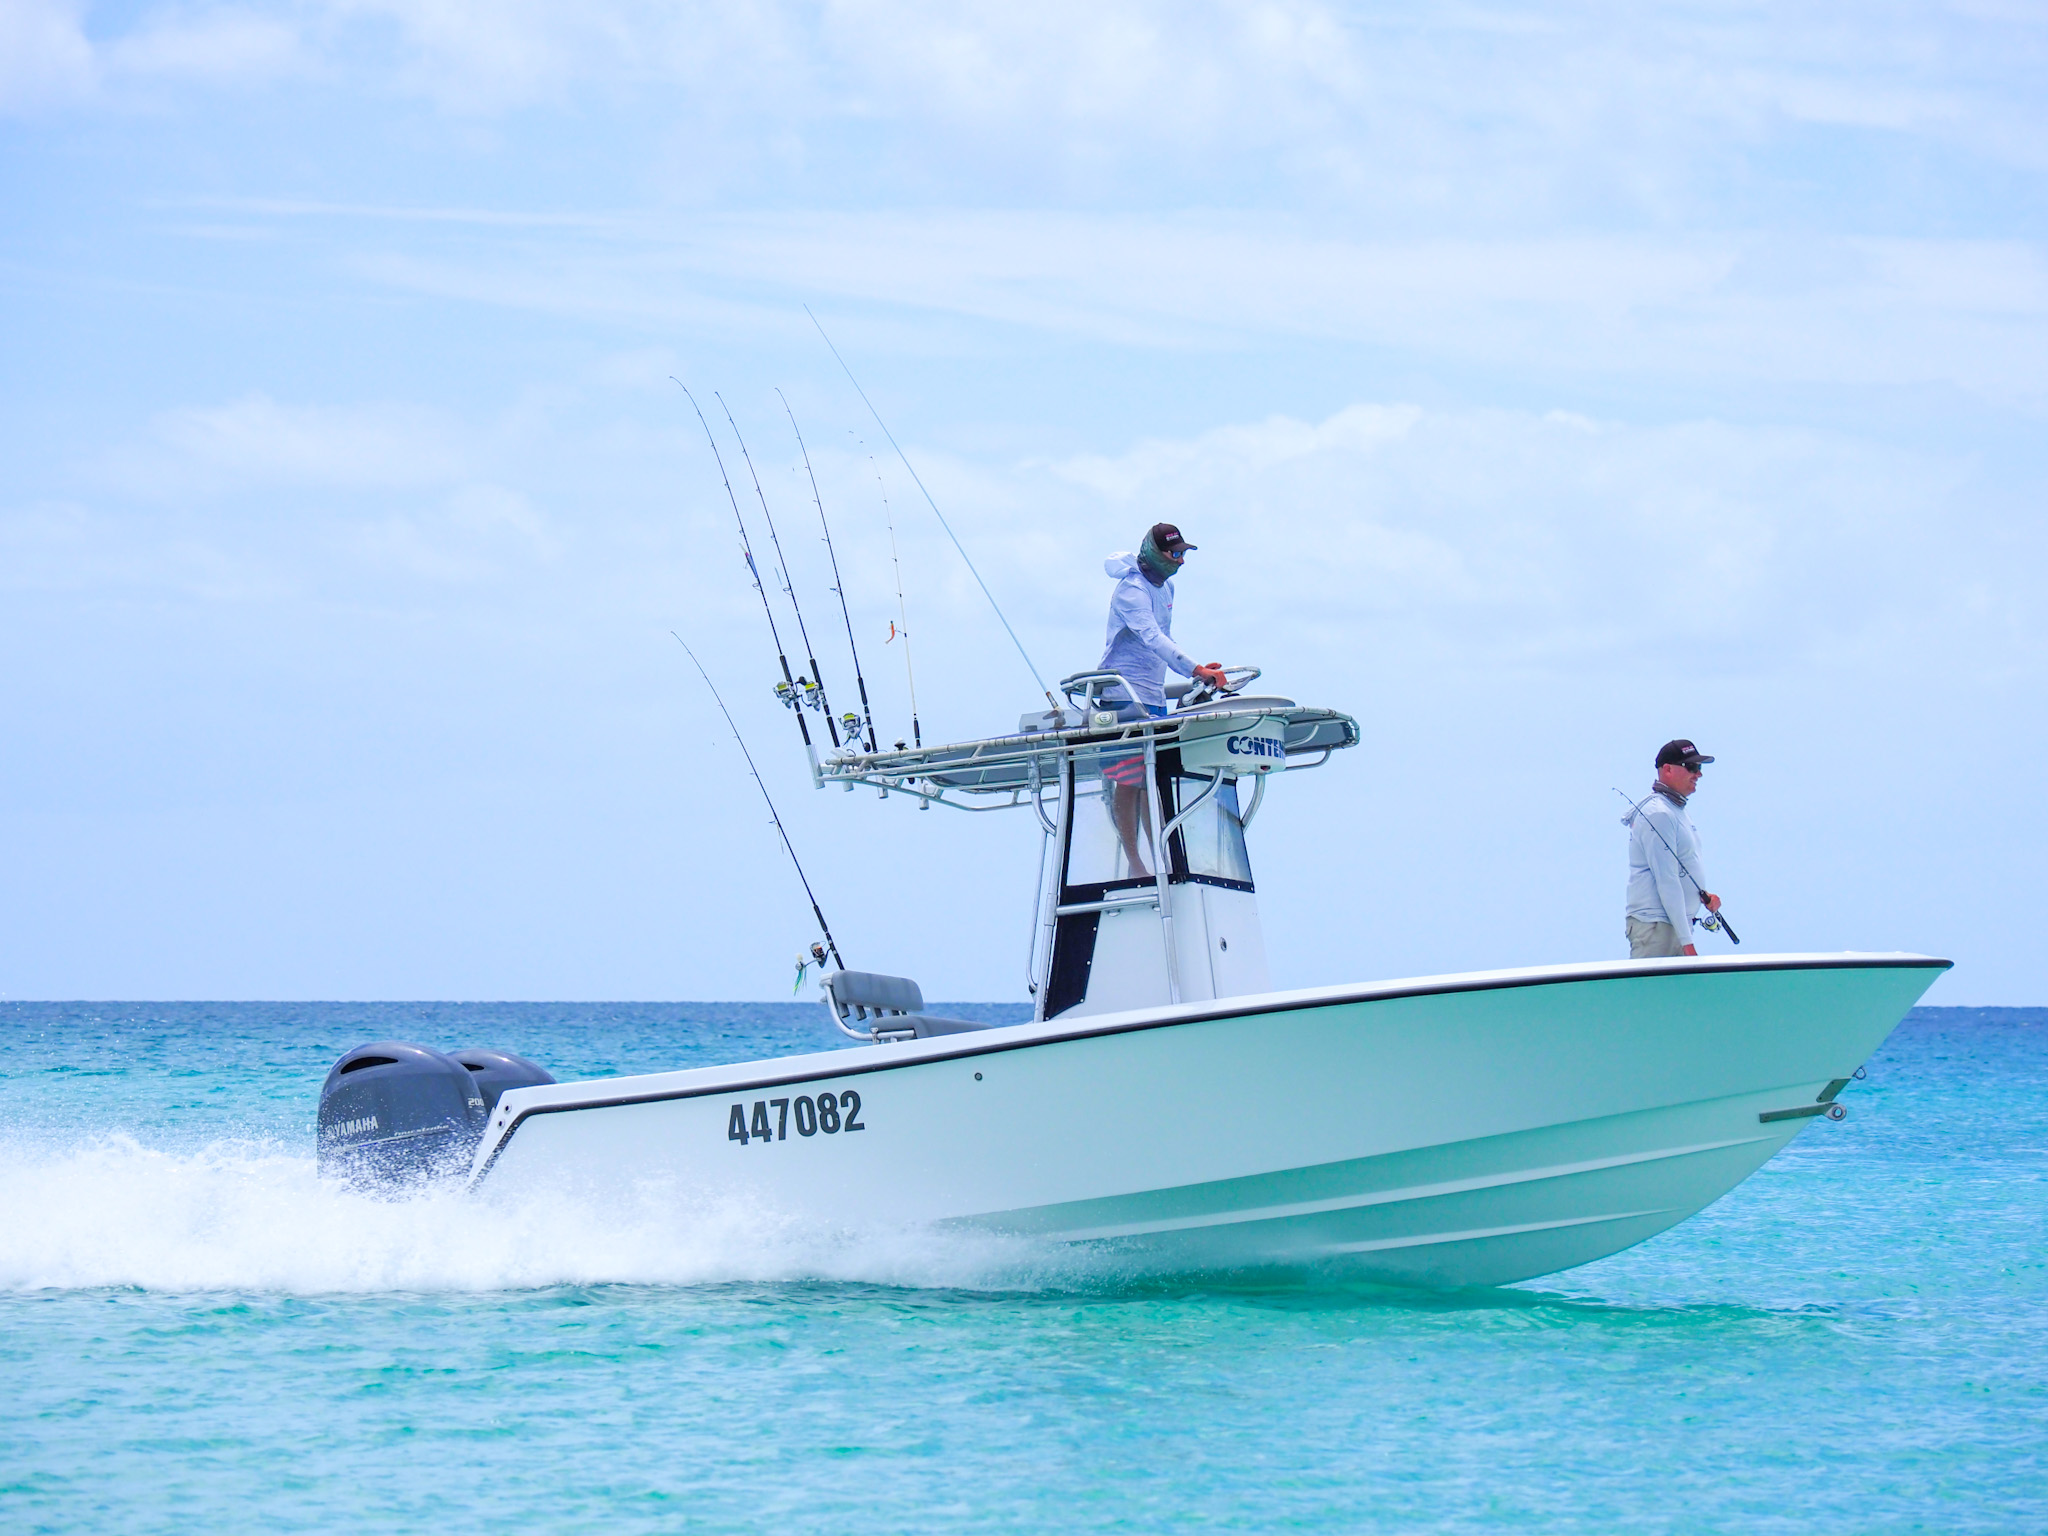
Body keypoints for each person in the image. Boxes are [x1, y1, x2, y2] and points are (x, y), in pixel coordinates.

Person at [1098, 524, 1228, 879]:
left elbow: (1166, 638)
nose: (1181, 560)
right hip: (1122, 693)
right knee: (1128, 781)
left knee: (1150, 780)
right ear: (1157, 554)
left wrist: (1194, 671)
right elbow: (1152, 637)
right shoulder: (1131, 591)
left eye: (1184, 553)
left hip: (1152, 692)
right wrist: (1195, 668)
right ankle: (1135, 862)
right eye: (1175, 554)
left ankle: (1161, 858)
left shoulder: (1166, 586)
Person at [1623, 739, 1725, 958]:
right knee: (1653, 993)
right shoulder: (1658, 814)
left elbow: (1682, 868)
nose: (1698, 774)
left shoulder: (1676, 811)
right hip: (1657, 929)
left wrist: (1702, 895)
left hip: (1675, 927)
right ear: (1667, 769)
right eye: (1692, 767)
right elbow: (1667, 880)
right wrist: (1687, 942)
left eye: (1699, 768)